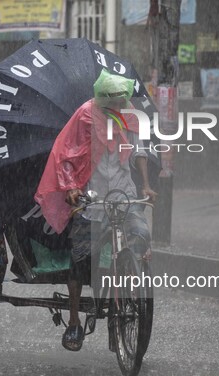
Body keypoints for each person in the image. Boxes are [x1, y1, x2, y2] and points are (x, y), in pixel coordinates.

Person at [34, 69, 157, 351]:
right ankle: (75, 321)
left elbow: (139, 151)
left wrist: (146, 186)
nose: (118, 107)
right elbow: (65, 154)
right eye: (112, 103)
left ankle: (131, 288)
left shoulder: (130, 115)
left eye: (121, 102)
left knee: (139, 235)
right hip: (91, 196)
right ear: (102, 99)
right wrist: (70, 188)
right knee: (79, 258)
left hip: (123, 192)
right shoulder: (85, 116)